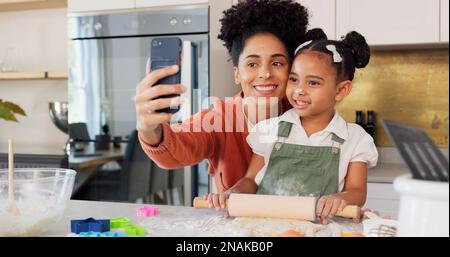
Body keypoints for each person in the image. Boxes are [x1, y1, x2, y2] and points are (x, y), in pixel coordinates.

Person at [205, 29, 379, 225]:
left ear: (341, 90)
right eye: (294, 79)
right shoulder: (268, 130)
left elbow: (357, 191)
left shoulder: (355, 139)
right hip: (265, 228)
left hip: (319, 230)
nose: (298, 90)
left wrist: (340, 199)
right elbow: (251, 180)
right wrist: (233, 193)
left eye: (313, 82)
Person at [135, 0, 309, 193]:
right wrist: (147, 127)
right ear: (237, 74)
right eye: (252, 64)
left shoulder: (306, 113)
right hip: (237, 223)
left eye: (277, 63)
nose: (265, 73)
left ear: (290, 70)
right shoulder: (218, 119)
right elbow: (176, 147)